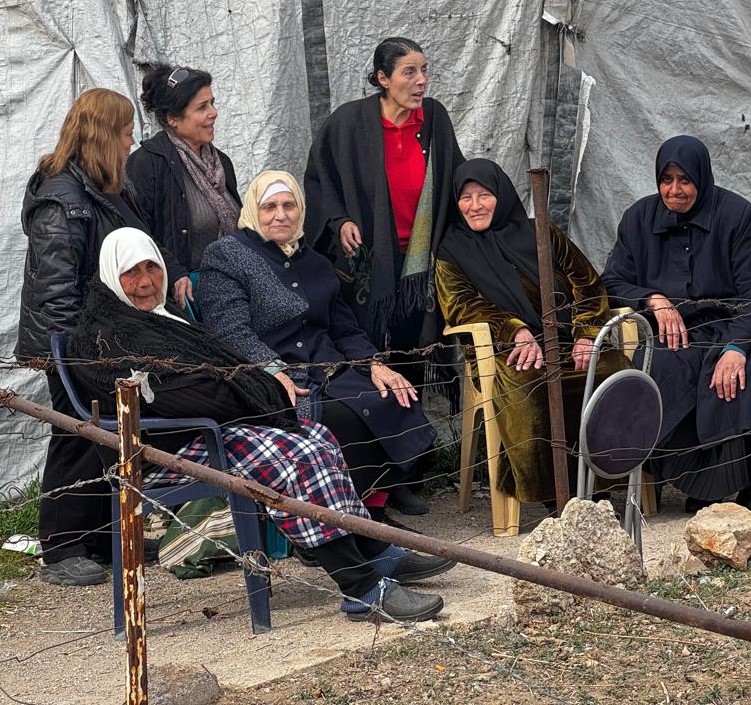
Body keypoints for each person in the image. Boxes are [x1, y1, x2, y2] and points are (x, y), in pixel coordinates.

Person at [68, 228, 455, 622]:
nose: (147, 282)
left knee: (317, 436)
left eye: (152, 267)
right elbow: (178, 399)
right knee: (295, 456)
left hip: (208, 432)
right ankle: (362, 589)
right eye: (132, 272)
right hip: (160, 451)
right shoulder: (104, 337)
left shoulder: (165, 321)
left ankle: (373, 552)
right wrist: (243, 392)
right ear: (111, 275)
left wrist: (237, 389)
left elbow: (217, 380)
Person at [197, 171, 437, 520]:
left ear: (301, 210)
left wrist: (374, 363)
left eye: (288, 205)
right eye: (269, 207)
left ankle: (372, 502)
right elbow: (230, 331)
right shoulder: (227, 256)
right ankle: (341, 518)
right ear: (253, 210)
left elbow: (344, 327)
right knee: (341, 416)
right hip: (274, 373)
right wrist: (272, 370)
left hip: (328, 367)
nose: (280, 214)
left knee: (391, 395)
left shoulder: (317, 263)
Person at [602, 135, 751, 513]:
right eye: (666, 179)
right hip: (681, 335)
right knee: (658, 373)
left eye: (685, 180)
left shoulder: (736, 214)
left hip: (748, 326)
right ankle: (703, 485)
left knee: (745, 379)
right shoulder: (639, 219)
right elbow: (612, 281)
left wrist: (737, 348)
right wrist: (652, 299)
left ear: (701, 179)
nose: (675, 190)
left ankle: (750, 483)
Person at [435, 158, 632, 504]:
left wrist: (586, 332)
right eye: (466, 198)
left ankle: (609, 478)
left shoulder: (539, 231)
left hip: (569, 342)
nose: (475, 206)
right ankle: (552, 494)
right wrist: (514, 331)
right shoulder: (451, 250)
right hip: (507, 351)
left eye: (484, 195)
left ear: (502, 195)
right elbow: (461, 304)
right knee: (528, 385)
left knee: (615, 373)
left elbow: (584, 279)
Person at [15, 88, 151, 586]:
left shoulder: (102, 186)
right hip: (70, 343)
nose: (131, 139)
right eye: (125, 129)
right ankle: (61, 546)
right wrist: (79, 356)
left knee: (104, 436)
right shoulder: (63, 198)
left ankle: (100, 537)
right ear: (103, 133)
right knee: (76, 434)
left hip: (104, 339)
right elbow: (57, 292)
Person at [303, 36, 464, 352]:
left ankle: (412, 397)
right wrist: (339, 219)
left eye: (424, 70)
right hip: (370, 256)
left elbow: (456, 174)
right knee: (367, 342)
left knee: (414, 345)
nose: (421, 81)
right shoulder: (349, 122)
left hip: (421, 258)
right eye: (409, 72)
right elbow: (320, 177)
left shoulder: (434, 118)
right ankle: (373, 397)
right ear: (383, 78)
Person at [126, 64, 241, 314]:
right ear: (173, 119)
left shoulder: (221, 162)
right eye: (202, 107)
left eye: (212, 103)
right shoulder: (147, 164)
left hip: (231, 282)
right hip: (185, 293)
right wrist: (174, 271)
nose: (214, 113)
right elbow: (137, 234)